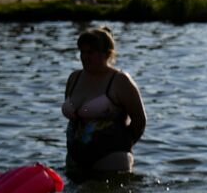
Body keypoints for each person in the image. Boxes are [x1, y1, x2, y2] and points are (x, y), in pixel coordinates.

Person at [62, 27, 147, 177]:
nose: (84, 57)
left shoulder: (120, 81)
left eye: (91, 53)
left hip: (111, 160)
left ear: (107, 54)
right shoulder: (74, 78)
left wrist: (122, 143)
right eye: (82, 52)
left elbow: (139, 120)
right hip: (75, 160)